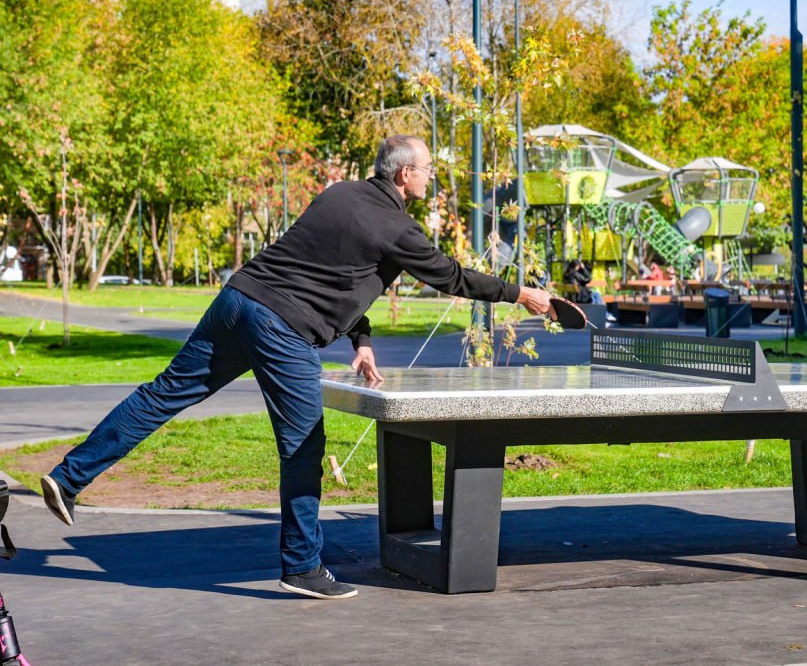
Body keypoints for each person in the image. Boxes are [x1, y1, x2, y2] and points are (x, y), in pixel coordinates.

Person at [38, 135, 555, 599]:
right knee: (304, 445)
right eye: (428, 171)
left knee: (162, 395)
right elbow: (450, 277)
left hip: (238, 300)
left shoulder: (339, 194)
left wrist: (362, 337)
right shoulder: (399, 226)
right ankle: (302, 567)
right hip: (282, 328)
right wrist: (520, 293)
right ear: (404, 175)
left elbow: (335, 272)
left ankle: (69, 476)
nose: (431, 180)